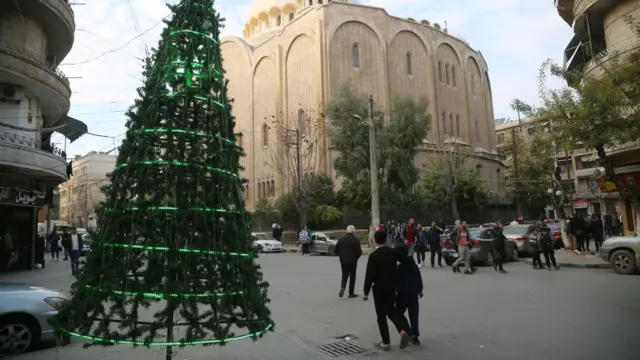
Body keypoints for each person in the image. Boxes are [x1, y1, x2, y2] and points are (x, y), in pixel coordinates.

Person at [363, 229, 412, 351]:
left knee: (381, 315)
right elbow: (406, 260)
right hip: (392, 287)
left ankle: (386, 342)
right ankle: (402, 332)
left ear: (375, 240)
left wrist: (366, 292)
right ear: (386, 239)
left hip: (379, 288)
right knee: (391, 310)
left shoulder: (374, 256)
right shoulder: (393, 252)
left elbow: (369, 275)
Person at [394, 244, 423, 345]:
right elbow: (418, 277)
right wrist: (420, 289)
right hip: (414, 292)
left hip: (403, 293)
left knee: (398, 313)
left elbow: (397, 282)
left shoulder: (400, 268)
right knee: (414, 314)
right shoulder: (413, 264)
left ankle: (408, 331)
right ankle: (415, 335)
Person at [335, 225, 363, 298]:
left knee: (344, 275)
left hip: (343, 260)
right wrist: (356, 257)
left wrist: (341, 255)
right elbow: (359, 252)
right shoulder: (355, 240)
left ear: (346, 231)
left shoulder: (341, 239)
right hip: (353, 261)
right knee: (352, 276)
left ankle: (343, 287)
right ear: (353, 231)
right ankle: (351, 293)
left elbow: (336, 250)